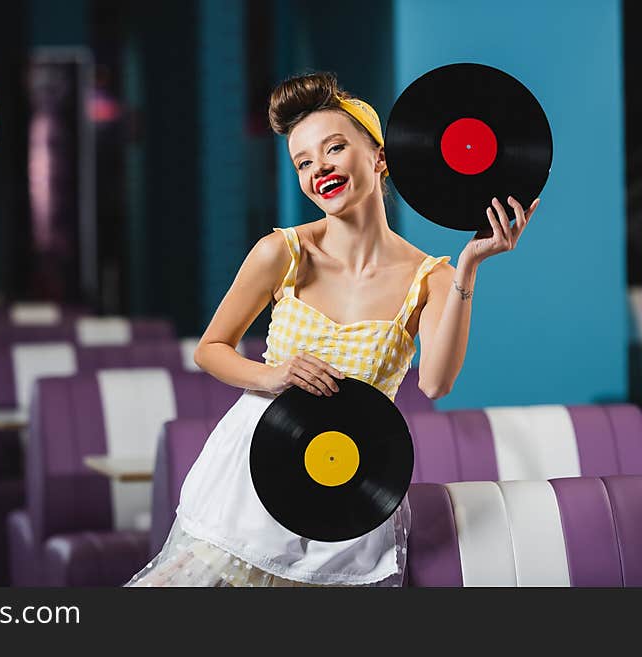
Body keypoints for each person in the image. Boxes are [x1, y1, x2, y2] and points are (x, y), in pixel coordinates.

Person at [125, 71, 540, 587]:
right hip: (250, 477)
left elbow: (436, 383)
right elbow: (211, 349)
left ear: (379, 157)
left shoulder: (431, 277)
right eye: (303, 162)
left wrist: (471, 265)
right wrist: (272, 375)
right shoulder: (281, 252)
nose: (319, 168)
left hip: (348, 485)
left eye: (334, 148)